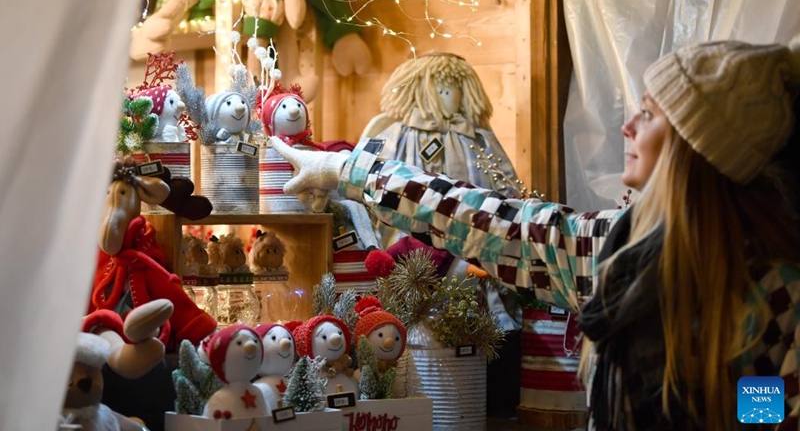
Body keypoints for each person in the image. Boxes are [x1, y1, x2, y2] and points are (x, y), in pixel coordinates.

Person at [270, 39, 800, 430]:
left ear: (696, 148)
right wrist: (349, 172)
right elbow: (489, 219)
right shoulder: (615, 249)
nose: (627, 127)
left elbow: (768, 412)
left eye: (649, 114)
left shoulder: (775, 288)